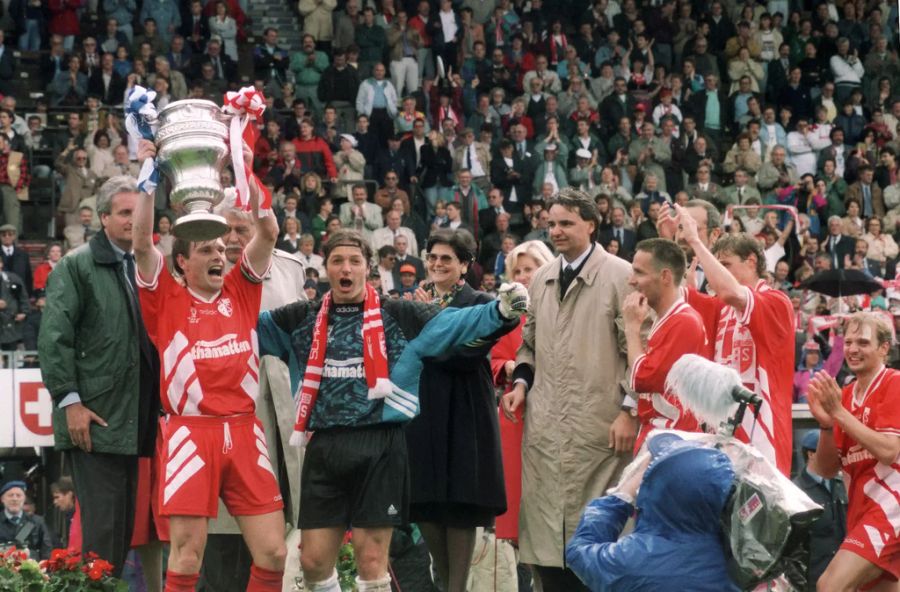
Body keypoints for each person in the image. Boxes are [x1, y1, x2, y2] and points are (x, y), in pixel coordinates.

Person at [254, 229, 527, 592]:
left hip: (381, 447)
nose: (345, 268)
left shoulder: (400, 315)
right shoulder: (300, 319)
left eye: (354, 261)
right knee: (313, 561)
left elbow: (456, 323)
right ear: (325, 270)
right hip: (323, 447)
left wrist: (501, 310)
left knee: (371, 561)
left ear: (368, 269)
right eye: (337, 261)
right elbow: (245, 328)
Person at [130, 140, 286, 592]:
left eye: (221, 249)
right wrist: (147, 169)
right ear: (182, 262)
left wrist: (246, 170)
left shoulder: (241, 289)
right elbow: (141, 242)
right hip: (189, 434)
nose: (220, 255)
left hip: (243, 429)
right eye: (206, 250)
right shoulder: (166, 299)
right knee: (187, 556)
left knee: (274, 551)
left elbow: (269, 232)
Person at [502, 187, 637, 591]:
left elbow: (639, 350)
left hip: (600, 428)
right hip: (546, 430)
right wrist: (522, 383)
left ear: (591, 225)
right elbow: (529, 343)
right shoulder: (541, 278)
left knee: (599, 549)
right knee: (548, 556)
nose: (556, 231)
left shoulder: (620, 275)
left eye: (566, 223)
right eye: (552, 223)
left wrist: (629, 409)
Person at [39, 176, 161, 578]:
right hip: (94, 419)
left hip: (131, 420)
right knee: (102, 539)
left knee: (120, 534)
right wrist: (70, 402)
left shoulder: (145, 266)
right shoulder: (76, 265)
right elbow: (55, 340)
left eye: (137, 212)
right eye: (124, 212)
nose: (133, 220)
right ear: (103, 218)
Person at [405, 229, 516, 591]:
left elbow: (464, 356)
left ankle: (455, 586)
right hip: (423, 410)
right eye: (433, 257)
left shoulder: (482, 303)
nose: (437, 264)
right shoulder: (411, 302)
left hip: (465, 409)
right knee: (425, 499)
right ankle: (446, 576)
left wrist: (427, 325)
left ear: (465, 264)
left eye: (447, 259)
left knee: (460, 502)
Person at [669, 204, 795, 475]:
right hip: (723, 426)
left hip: (761, 429)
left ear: (751, 261)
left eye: (725, 265)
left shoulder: (775, 302)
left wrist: (695, 241)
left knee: (758, 512)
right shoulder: (720, 308)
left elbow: (731, 293)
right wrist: (671, 241)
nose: (718, 273)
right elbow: (669, 291)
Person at [565, 436, 739, 592]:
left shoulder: (633, 559)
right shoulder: (737, 555)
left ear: (654, 493)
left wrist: (621, 496)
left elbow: (578, 551)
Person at [807, 313, 900, 591]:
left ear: (884, 348)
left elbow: (889, 450)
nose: (853, 349)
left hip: (890, 507)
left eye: (863, 342)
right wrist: (826, 425)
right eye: (848, 341)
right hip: (860, 509)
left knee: (830, 585)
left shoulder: (894, 383)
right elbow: (825, 469)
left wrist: (838, 413)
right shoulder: (845, 394)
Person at [490, 240, 554, 544]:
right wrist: (508, 367)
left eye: (530, 268)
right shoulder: (504, 314)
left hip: (557, 408)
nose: (524, 276)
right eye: (518, 270)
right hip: (516, 410)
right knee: (515, 489)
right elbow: (493, 359)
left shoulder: (561, 308)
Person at [623, 238, 708, 451]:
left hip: (672, 440)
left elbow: (642, 378)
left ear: (665, 277)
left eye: (639, 272)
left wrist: (631, 329)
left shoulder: (683, 321)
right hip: (659, 436)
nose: (631, 281)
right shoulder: (667, 318)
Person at [791, 430, 848, 590]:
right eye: (830, 452)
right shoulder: (796, 492)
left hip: (846, 578)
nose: (836, 458)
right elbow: (792, 549)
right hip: (814, 581)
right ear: (811, 454)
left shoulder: (842, 485)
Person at [0, 481, 54, 560]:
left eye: (19, 495)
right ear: (2, 499)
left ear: (24, 498)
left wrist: (30, 554)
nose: (15, 499)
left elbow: (46, 551)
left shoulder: (36, 522)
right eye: (10, 495)